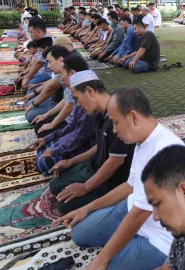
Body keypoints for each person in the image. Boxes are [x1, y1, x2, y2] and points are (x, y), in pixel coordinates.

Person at [55, 86, 185, 270]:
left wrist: (102, 259)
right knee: (79, 233)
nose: (114, 130)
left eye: (115, 122)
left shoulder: (166, 150)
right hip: (133, 210)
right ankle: (128, 248)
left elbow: (139, 214)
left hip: (160, 237)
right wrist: (87, 208)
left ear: (133, 116)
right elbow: (130, 186)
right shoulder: (142, 141)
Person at [48, 71, 135, 215]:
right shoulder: (100, 113)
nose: (78, 104)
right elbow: (99, 145)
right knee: (54, 185)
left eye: (77, 98)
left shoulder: (117, 118)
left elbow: (115, 161)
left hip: (112, 180)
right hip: (94, 165)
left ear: (89, 91)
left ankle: (116, 202)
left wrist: (85, 187)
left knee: (63, 206)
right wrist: (71, 161)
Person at [30, 53, 98, 175]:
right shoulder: (79, 92)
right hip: (82, 142)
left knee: (44, 164)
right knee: (42, 150)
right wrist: (48, 139)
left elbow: (81, 136)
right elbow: (74, 125)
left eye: (63, 74)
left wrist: (57, 151)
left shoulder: (90, 104)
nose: (61, 78)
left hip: (87, 148)